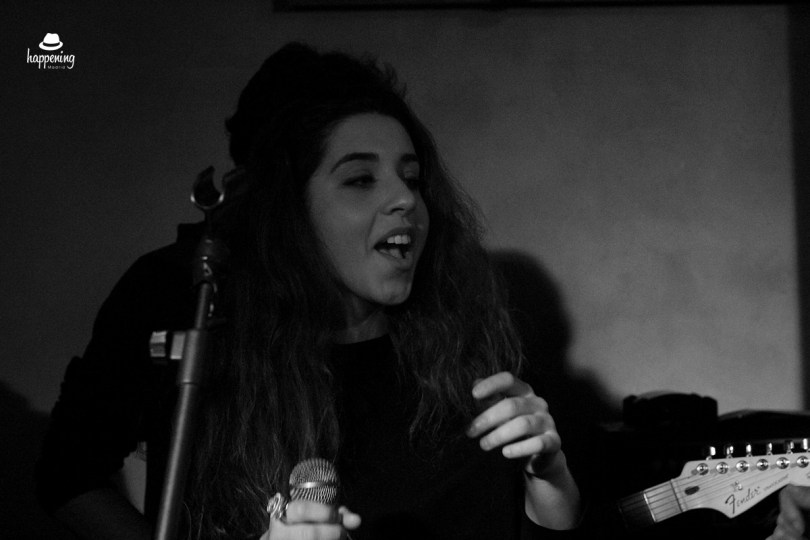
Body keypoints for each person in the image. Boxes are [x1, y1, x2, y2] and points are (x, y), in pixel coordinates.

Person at [36, 42, 583, 540]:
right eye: (360, 179)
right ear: (285, 207)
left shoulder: (463, 333)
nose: (405, 200)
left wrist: (551, 478)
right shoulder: (188, 300)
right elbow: (67, 475)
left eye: (412, 179)